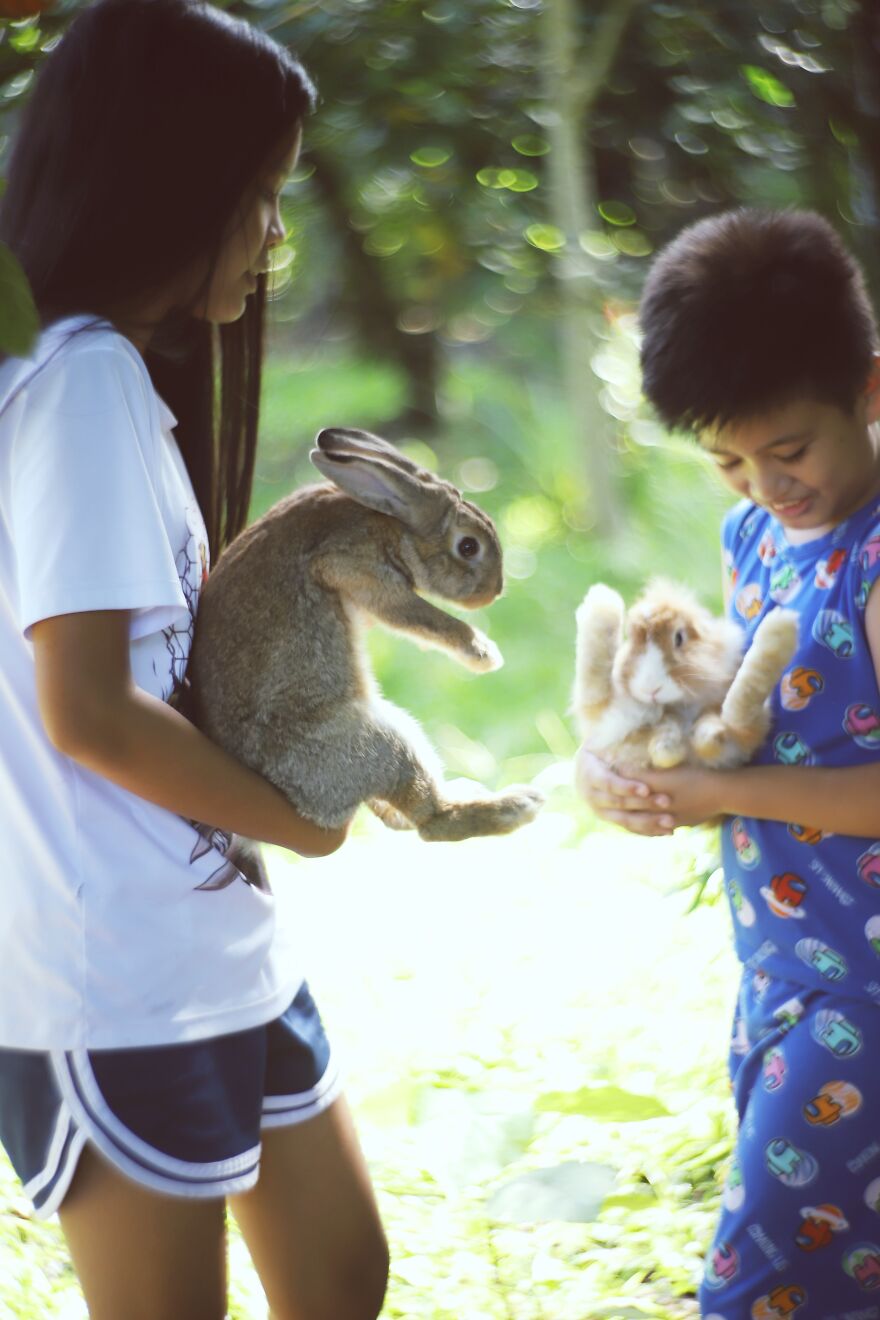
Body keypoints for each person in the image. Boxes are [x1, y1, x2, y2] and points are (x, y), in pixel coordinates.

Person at [0, 1, 388, 1316]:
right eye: (260, 198)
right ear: (171, 187)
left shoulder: (102, 385)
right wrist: (304, 822)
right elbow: (92, 712)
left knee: (343, 1275)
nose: (275, 238)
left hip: (215, 940)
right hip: (113, 975)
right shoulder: (84, 384)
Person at [577, 208, 880, 1317]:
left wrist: (720, 793)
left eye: (789, 450)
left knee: (758, 1281)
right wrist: (634, 765)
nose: (763, 484)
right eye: (726, 460)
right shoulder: (756, 535)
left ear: (869, 388)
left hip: (864, 997)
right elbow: (751, 716)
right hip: (781, 971)